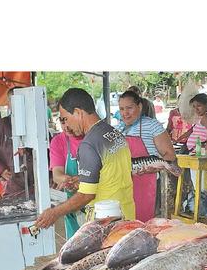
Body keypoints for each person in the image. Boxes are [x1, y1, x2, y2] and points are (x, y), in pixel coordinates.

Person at [35, 88, 135, 229]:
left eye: (66, 119)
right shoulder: (113, 133)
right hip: (126, 212)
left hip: (106, 223)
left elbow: (86, 195)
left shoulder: (88, 144)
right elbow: (113, 173)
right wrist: (82, 179)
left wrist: (54, 213)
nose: (67, 126)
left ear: (77, 112)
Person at [116, 90, 176, 221]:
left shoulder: (152, 125)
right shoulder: (119, 128)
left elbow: (170, 154)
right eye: (121, 109)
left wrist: (155, 167)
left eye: (129, 108)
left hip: (146, 182)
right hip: (122, 184)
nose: (125, 113)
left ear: (140, 106)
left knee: (143, 224)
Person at [0, 89, 35, 200]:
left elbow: (50, 152)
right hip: (12, 187)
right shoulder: (0, 126)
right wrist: (0, 170)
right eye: (15, 102)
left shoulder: (36, 125)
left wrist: (51, 175)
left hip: (38, 185)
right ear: (9, 103)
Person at [49, 115, 84, 238]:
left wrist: (83, 180)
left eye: (68, 121)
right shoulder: (58, 141)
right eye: (62, 122)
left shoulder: (92, 139)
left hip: (95, 203)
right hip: (71, 205)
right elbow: (57, 174)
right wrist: (67, 180)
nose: (66, 127)